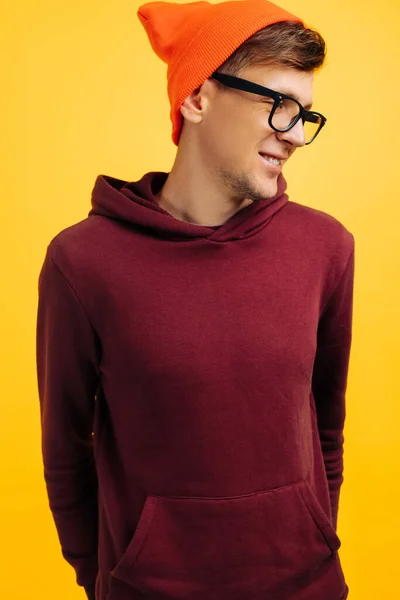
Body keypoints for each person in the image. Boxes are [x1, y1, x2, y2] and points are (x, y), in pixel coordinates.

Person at [36, 1, 354, 599]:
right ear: (199, 98)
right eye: (278, 105)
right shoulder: (83, 262)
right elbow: (65, 452)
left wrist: (315, 533)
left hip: (308, 586)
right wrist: (101, 580)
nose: (294, 135)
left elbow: (327, 428)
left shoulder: (326, 247)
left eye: (304, 115)